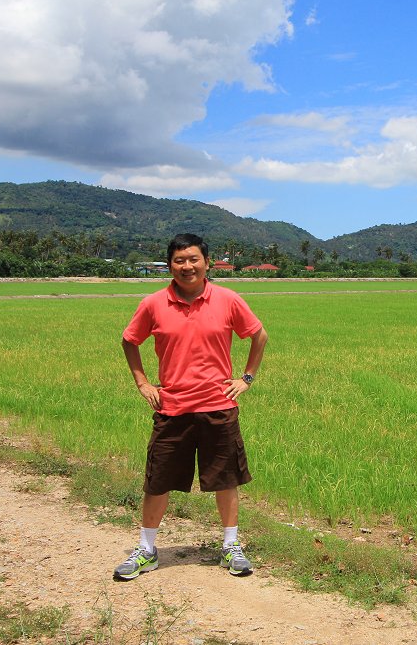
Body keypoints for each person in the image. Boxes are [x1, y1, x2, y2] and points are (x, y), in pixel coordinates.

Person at [113, 233, 268, 580]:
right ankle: (147, 549)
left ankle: (231, 546)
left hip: (217, 405)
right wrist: (142, 382)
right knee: (158, 480)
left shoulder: (227, 300)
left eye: (193, 259)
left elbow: (259, 335)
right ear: (170, 265)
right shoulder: (154, 304)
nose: (187, 266)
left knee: (226, 478)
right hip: (173, 407)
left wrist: (246, 378)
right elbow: (129, 340)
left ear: (207, 263)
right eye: (179, 261)